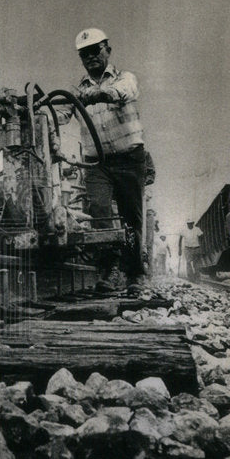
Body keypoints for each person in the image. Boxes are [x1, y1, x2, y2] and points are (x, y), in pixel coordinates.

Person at [70, 27, 147, 293]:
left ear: (108, 51)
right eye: (84, 54)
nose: (90, 57)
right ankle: (109, 270)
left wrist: (104, 93)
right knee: (98, 212)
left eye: (95, 51)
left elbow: (125, 91)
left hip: (129, 158)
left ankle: (134, 274)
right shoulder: (77, 90)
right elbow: (59, 112)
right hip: (96, 164)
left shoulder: (125, 77)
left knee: (130, 218)